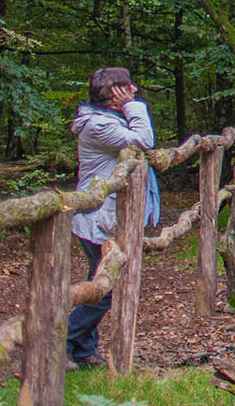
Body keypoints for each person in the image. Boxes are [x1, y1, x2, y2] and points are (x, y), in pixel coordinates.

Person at [66, 67, 161, 370]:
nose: (134, 90)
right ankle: (62, 342)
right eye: (127, 88)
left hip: (102, 218)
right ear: (113, 95)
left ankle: (81, 351)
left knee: (100, 280)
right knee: (108, 286)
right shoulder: (98, 126)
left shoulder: (108, 121)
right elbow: (144, 140)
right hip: (98, 220)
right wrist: (135, 107)